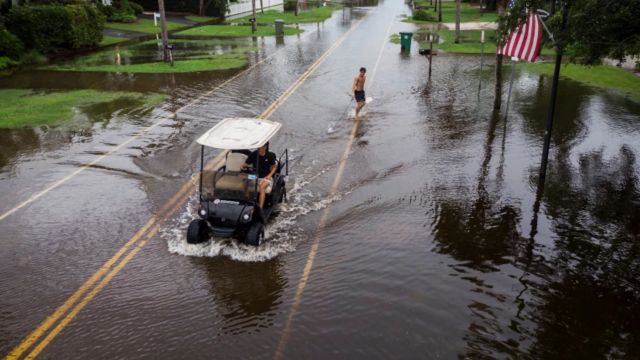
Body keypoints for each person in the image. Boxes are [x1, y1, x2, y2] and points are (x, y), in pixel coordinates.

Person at [240, 142, 277, 209]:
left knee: (262, 186)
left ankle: (260, 208)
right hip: (255, 176)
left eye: (261, 147)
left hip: (265, 177)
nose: (259, 148)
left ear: (265, 147)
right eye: (258, 147)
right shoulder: (253, 154)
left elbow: (274, 167)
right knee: (245, 182)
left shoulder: (270, 155)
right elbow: (245, 164)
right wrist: (243, 166)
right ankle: (247, 203)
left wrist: (269, 175)